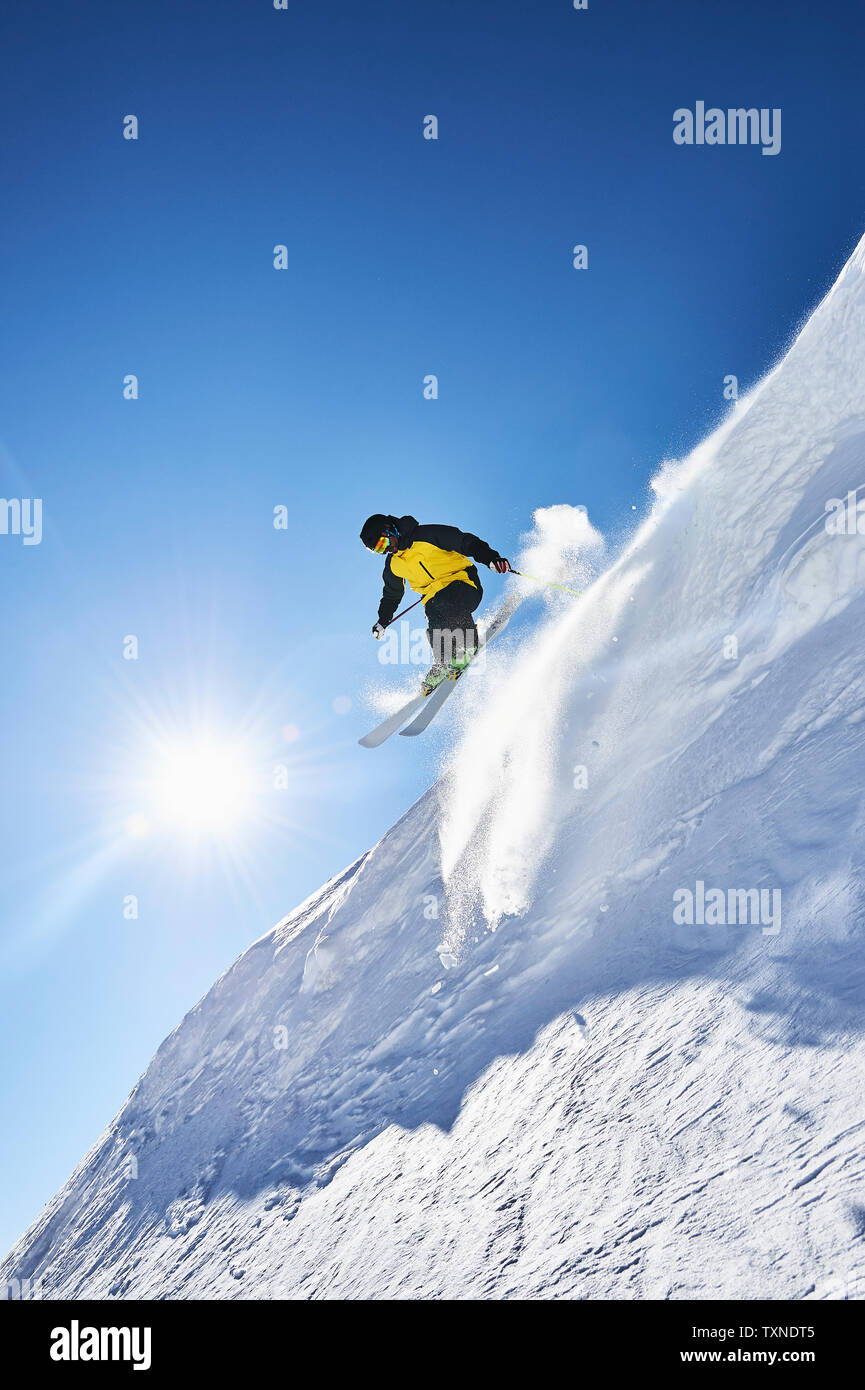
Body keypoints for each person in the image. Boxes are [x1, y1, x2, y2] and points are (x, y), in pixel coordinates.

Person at [360, 513, 511, 694]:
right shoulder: (393, 565)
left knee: (446, 601)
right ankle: (444, 661)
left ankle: (467, 645)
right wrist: (383, 620)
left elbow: (464, 541)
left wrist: (490, 558)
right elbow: (392, 594)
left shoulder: (426, 535)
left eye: (383, 544)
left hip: (463, 583)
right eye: (378, 550)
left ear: (389, 529)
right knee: (434, 616)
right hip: (433, 598)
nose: (386, 550)